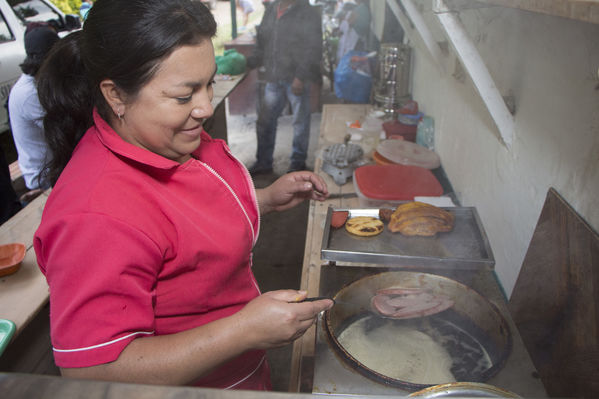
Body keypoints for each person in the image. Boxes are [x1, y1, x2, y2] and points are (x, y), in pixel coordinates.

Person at [33, 0, 332, 390]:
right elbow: (94, 373)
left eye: (208, 83)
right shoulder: (94, 215)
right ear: (116, 96)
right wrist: (243, 330)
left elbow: (181, 226)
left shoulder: (163, 136)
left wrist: (264, 199)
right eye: (184, 95)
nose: (206, 107)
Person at [246, 0, 322, 175]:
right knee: (265, 121)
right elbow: (262, 40)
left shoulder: (307, 12)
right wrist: (250, 62)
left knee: (300, 122)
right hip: (274, 76)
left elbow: (314, 48)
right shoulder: (272, 9)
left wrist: (300, 77)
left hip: (297, 78)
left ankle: (298, 163)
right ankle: (264, 162)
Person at [8, 25, 59, 191]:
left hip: (51, 167)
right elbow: (63, 130)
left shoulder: (36, 83)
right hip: (43, 177)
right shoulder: (29, 93)